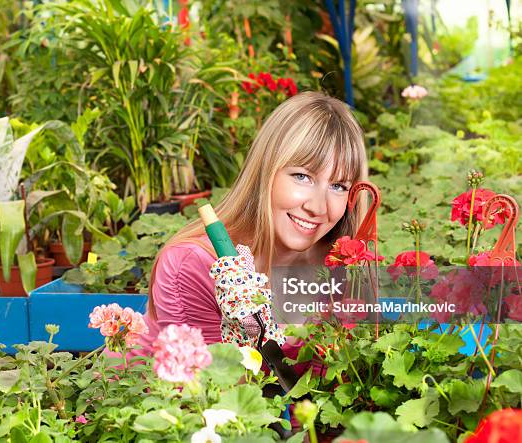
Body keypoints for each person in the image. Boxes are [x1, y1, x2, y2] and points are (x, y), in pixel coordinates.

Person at [133, 91, 368, 357]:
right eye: (302, 176)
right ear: (266, 170)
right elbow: (201, 390)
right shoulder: (193, 264)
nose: (318, 207)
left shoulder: (337, 269)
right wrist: (245, 332)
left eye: (338, 186)